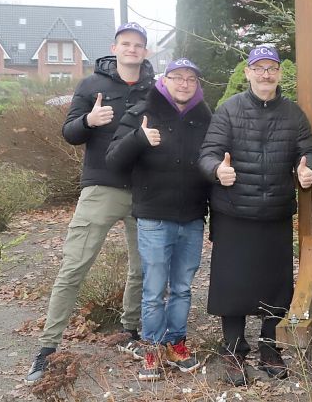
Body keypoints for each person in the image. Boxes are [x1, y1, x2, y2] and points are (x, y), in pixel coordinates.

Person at [25, 23, 154, 384]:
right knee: (73, 268)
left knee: (142, 268)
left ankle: (131, 330)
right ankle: (48, 347)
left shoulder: (155, 88)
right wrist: (88, 120)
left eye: (138, 45)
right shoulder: (90, 85)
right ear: (115, 47)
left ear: (145, 51)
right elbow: (69, 133)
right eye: (125, 44)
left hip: (144, 191)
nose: (131, 50)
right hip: (102, 188)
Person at [197, 46, 312, 386]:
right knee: (232, 285)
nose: (266, 74)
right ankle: (234, 350)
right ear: (248, 72)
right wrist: (216, 171)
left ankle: (269, 348)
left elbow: (308, 151)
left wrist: (308, 170)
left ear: (279, 74)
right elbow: (208, 153)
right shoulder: (229, 110)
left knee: (276, 285)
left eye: (272, 68)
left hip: (276, 211)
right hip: (233, 212)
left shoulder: (293, 114)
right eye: (259, 68)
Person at [105, 58, 211, 381]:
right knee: (153, 288)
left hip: (192, 217)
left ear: (196, 84)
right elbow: (112, 159)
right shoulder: (142, 110)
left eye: (190, 78)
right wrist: (138, 138)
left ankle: (176, 343)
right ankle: (151, 348)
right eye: (177, 77)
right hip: (153, 218)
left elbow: (214, 161)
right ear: (165, 80)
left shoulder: (205, 116)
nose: (184, 83)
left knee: (182, 287)